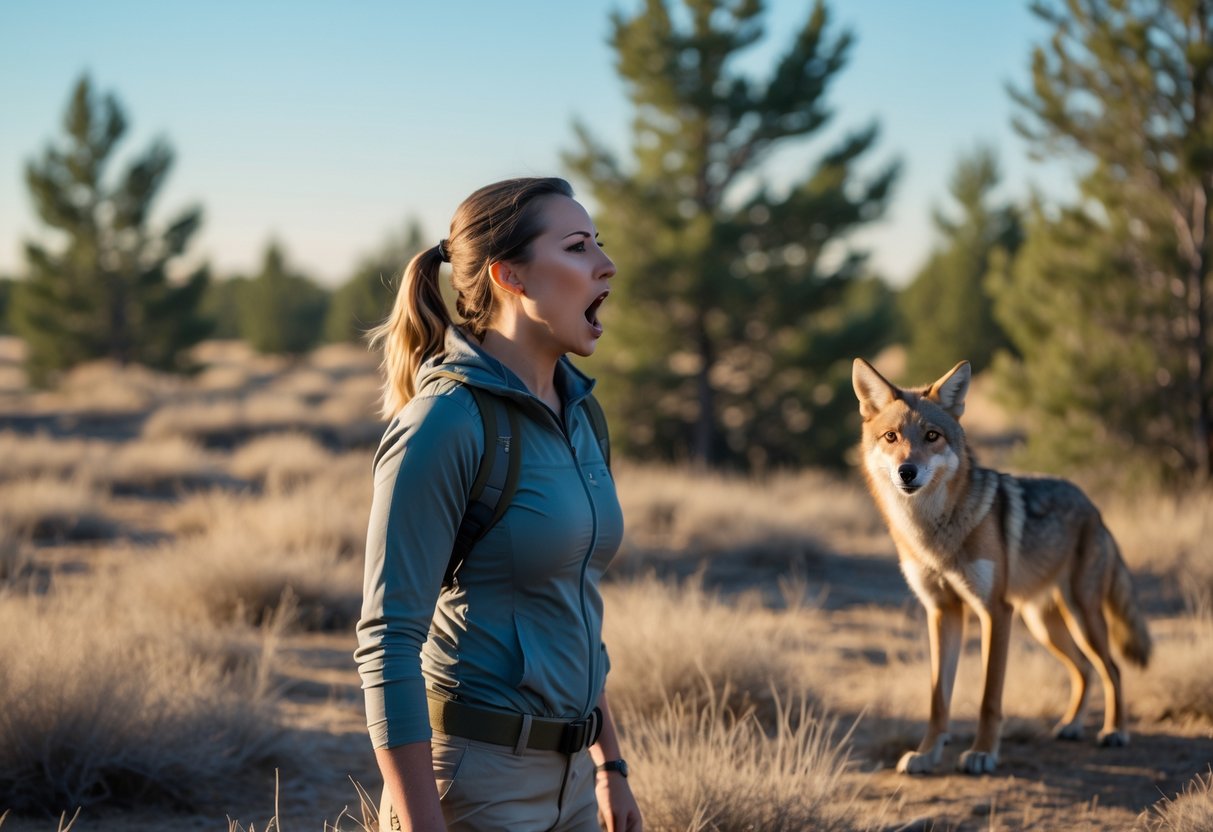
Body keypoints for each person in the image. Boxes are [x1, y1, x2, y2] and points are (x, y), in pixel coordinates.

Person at [355, 177, 643, 832]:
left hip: (572, 784)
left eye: (599, 243)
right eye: (576, 247)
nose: (606, 264)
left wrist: (609, 766)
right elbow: (387, 642)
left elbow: (570, 606)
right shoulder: (444, 423)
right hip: (475, 786)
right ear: (509, 275)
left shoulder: (579, 412)